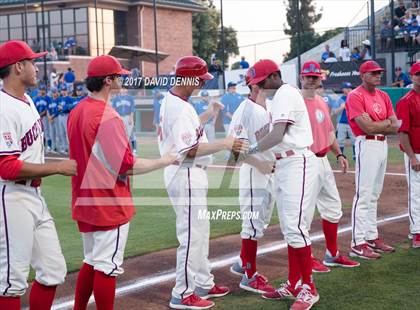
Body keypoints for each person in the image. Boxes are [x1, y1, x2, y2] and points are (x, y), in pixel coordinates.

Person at [67, 54, 175, 310]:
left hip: (84, 197)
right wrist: (165, 160)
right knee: (107, 267)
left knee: (92, 260)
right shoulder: (107, 115)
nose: (121, 79)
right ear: (107, 81)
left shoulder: (77, 110)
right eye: (118, 76)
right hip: (108, 201)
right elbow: (127, 166)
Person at [158, 55, 247, 309]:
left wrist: (209, 112)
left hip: (188, 173)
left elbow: (189, 130)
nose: (202, 84)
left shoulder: (176, 100)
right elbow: (189, 150)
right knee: (190, 235)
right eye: (199, 79)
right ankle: (182, 293)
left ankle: (203, 283)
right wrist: (226, 143)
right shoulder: (179, 106)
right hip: (185, 172)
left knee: (200, 232)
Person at [0, 40, 77, 310]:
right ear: (18, 67)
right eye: (32, 62)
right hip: (11, 198)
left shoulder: (27, 99)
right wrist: (57, 166)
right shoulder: (3, 107)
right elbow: (7, 167)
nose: (36, 67)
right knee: (11, 283)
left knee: (53, 270)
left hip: (34, 194)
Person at [243, 59, 319, 310]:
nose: (260, 86)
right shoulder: (278, 98)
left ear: (274, 75)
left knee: (295, 226)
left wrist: (249, 149)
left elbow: (277, 135)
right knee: (289, 227)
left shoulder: (286, 93)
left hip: (297, 161)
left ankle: (309, 288)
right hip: (286, 163)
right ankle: (294, 282)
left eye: (261, 81)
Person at [299, 61, 360, 273]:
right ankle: (306, 259)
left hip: (323, 160)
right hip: (304, 161)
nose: (312, 79)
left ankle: (332, 254)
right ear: (301, 77)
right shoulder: (296, 102)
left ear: (320, 79)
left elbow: (329, 133)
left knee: (333, 208)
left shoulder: (322, 102)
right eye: (308, 76)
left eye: (315, 76)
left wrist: (340, 154)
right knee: (303, 215)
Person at [228, 67, 276, 294]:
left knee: (262, 221)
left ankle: (241, 262)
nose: (273, 82)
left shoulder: (269, 107)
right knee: (252, 224)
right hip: (253, 171)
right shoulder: (244, 110)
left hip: (269, 171)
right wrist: (260, 164)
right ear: (256, 84)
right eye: (269, 79)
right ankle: (248, 275)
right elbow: (234, 150)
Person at [346, 60, 399, 259]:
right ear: (363, 76)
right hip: (366, 143)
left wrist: (380, 124)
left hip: (382, 144)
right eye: (373, 73)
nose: (378, 75)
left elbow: (395, 126)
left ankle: (371, 236)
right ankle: (357, 242)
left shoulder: (384, 95)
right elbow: (366, 128)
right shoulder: (355, 96)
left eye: (379, 73)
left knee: (374, 193)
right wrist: (384, 124)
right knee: (364, 193)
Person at [396, 62, 420, 248]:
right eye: (417, 74)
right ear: (411, 77)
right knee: (416, 193)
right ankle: (417, 232)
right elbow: (402, 133)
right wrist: (412, 156)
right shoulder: (405, 100)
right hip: (416, 153)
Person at [334, 82, 356, 160]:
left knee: (354, 140)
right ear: (343, 89)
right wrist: (341, 107)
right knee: (340, 141)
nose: (349, 89)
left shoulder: (354, 98)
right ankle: (341, 157)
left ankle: (355, 156)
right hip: (341, 123)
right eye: (347, 88)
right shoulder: (340, 99)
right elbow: (335, 112)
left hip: (352, 122)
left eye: (350, 88)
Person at [111, 88, 136, 154]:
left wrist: (131, 118)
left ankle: (133, 150)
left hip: (128, 117)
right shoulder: (116, 99)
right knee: (119, 134)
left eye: (124, 89)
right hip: (119, 117)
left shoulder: (130, 98)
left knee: (130, 135)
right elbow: (113, 109)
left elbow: (132, 109)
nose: (123, 90)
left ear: (126, 90)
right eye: (122, 88)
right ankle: (121, 150)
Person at [33, 84, 52, 152]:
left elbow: (48, 108)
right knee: (41, 132)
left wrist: (44, 114)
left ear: (45, 90)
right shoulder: (37, 98)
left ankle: (49, 146)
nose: (42, 91)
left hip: (45, 117)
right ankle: (43, 146)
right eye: (41, 89)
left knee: (47, 132)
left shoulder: (48, 98)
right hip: (38, 117)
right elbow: (34, 108)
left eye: (43, 89)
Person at [56, 85, 74, 154]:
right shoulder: (59, 98)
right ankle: (64, 148)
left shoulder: (69, 98)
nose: (63, 92)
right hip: (60, 116)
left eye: (64, 90)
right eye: (62, 90)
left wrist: (63, 108)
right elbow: (57, 107)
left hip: (66, 116)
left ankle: (70, 149)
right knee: (61, 133)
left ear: (67, 91)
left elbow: (70, 107)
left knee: (67, 133)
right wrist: (60, 108)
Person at [47, 86, 61, 153]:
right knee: (52, 133)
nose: (54, 94)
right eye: (53, 92)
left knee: (58, 133)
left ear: (57, 92)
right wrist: (49, 117)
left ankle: (59, 148)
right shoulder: (50, 100)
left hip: (57, 117)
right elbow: (48, 109)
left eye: (55, 92)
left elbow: (59, 109)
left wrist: (52, 117)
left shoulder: (59, 99)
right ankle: (53, 147)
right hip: (51, 119)